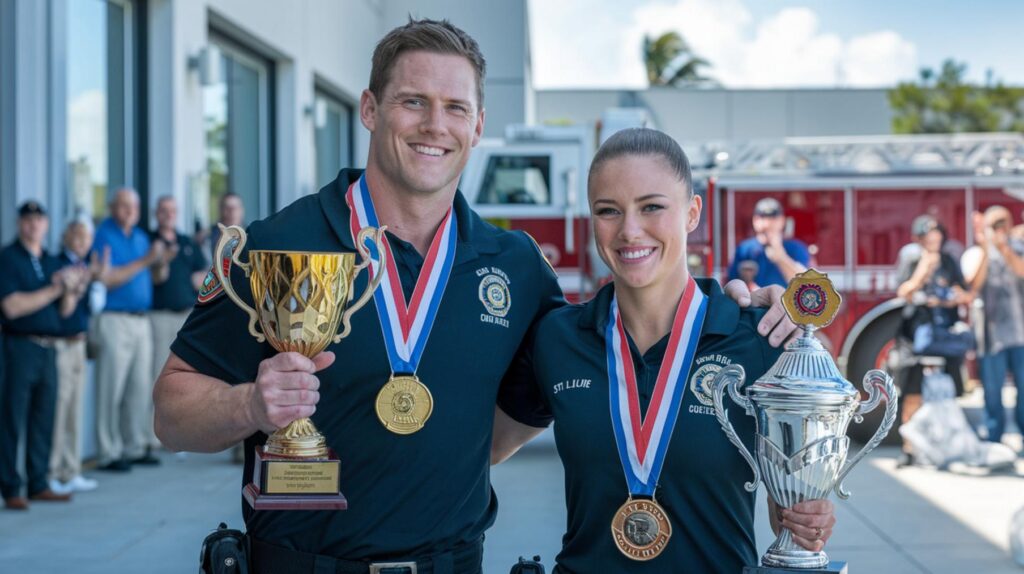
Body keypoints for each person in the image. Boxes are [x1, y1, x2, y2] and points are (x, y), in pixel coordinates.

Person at [154, 19, 794, 572]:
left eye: (455, 107)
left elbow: (582, 370)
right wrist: (249, 404)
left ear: (479, 124)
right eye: (413, 101)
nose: (436, 125)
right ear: (370, 109)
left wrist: (738, 308)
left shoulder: (514, 268)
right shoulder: (278, 244)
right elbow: (169, 410)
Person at [491, 129, 833, 572]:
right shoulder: (558, 338)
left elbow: (785, 503)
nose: (630, 230)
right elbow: (488, 446)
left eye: (652, 206)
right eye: (608, 210)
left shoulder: (756, 340)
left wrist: (805, 516)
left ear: (692, 212)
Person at [0, 201, 87, 509]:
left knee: (43, 418)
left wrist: (74, 289)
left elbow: (64, 311)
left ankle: (38, 483)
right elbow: (11, 306)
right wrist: (55, 289)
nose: (33, 225)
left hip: (50, 347)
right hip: (19, 345)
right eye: (27, 219)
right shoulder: (8, 257)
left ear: (46, 224)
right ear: (19, 223)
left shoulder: (51, 260)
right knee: (12, 418)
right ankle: (12, 487)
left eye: (39, 219)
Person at [93, 188, 166, 471]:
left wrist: (159, 262)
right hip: (114, 319)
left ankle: (134, 445)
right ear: (113, 207)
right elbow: (108, 279)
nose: (129, 211)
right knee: (111, 388)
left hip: (141, 319)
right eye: (123, 206)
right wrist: (147, 260)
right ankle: (107, 452)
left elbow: (156, 276)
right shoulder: (104, 235)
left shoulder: (140, 237)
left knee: (139, 387)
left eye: (134, 206)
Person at [895, 215, 971, 466]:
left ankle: (942, 448)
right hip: (915, 334)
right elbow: (903, 292)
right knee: (912, 393)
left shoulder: (949, 259)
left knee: (946, 393)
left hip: (943, 331)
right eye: (928, 234)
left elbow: (965, 293)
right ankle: (909, 449)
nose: (934, 238)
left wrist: (949, 299)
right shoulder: (911, 258)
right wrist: (923, 271)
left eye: (937, 233)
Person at [48, 219, 107, 494]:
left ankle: (71, 470)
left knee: (75, 410)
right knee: (58, 411)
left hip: (79, 344)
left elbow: (95, 305)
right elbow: (63, 310)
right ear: (66, 236)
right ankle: (51, 472)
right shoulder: (57, 263)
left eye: (87, 237)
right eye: (78, 236)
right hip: (60, 344)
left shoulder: (86, 267)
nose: (83, 242)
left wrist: (94, 279)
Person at [961, 206, 1024, 444]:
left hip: (1020, 334)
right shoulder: (976, 253)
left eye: (1003, 224)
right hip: (991, 335)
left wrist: (1005, 248)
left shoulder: (1017, 248)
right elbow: (973, 284)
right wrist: (988, 248)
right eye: (994, 225)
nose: (999, 229)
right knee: (992, 391)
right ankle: (993, 439)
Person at [149, 196, 207, 452]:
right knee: (155, 377)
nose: (168, 214)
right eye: (163, 210)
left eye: (172, 210)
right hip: (159, 316)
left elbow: (204, 273)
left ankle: (177, 436)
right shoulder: (149, 240)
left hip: (186, 316)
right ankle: (152, 437)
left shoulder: (186, 242)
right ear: (156, 213)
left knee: (184, 379)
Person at [727, 197, 810, 288]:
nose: (767, 222)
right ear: (755, 220)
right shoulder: (744, 249)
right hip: (753, 300)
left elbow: (803, 283)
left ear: (782, 220)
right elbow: (731, 282)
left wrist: (781, 257)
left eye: (773, 218)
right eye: (763, 217)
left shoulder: (795, 248)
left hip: (785, 301)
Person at [203, 192, 245, 263]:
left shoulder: (251, 235)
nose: (232, 212)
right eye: (227, 208)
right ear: (220, 210)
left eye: (235, 207)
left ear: (242, 210)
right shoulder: (207, 237)